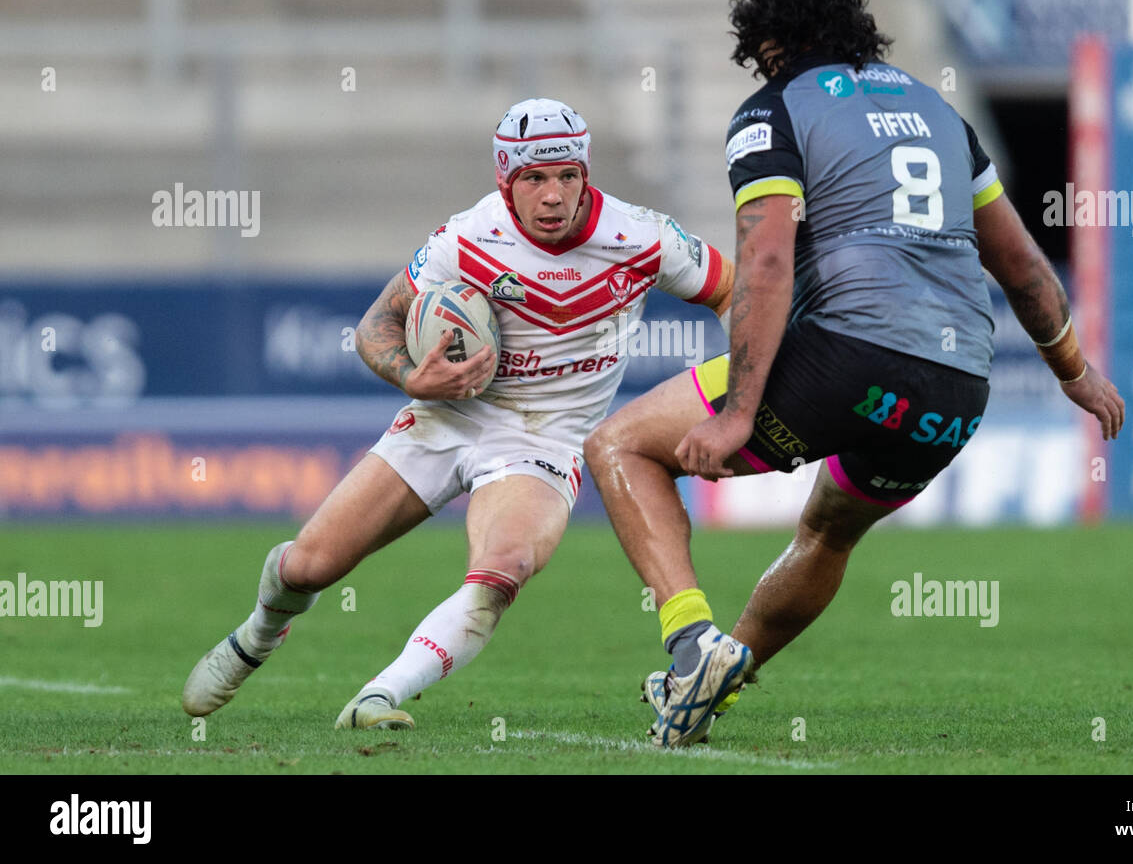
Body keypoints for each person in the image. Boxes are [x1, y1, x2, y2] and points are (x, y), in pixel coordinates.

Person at [583, 0, 1126, 748]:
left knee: (619, 445)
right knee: (829, 533)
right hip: (955, 390)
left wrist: (739, 412)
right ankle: (710, 689)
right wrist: (1075, 372)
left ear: (761, 28)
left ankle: (694, 643)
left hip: (848, 356)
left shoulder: (774, 111)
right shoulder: (941, 113)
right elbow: (1023, 267)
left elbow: (767, 261)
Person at [182, 98, 734, 729]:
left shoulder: (641, 236)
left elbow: (731, 291)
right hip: (448, 419)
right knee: (310, 565)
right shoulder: (467, 237)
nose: (553, 195)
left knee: (506, 566)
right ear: (506, 180)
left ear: (586, 174)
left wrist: (736, 399)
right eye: (534, 178)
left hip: (546, 440)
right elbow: (375, 326)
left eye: (567, 175)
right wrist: (410, 376)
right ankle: (257, 636)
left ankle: (379, 697)